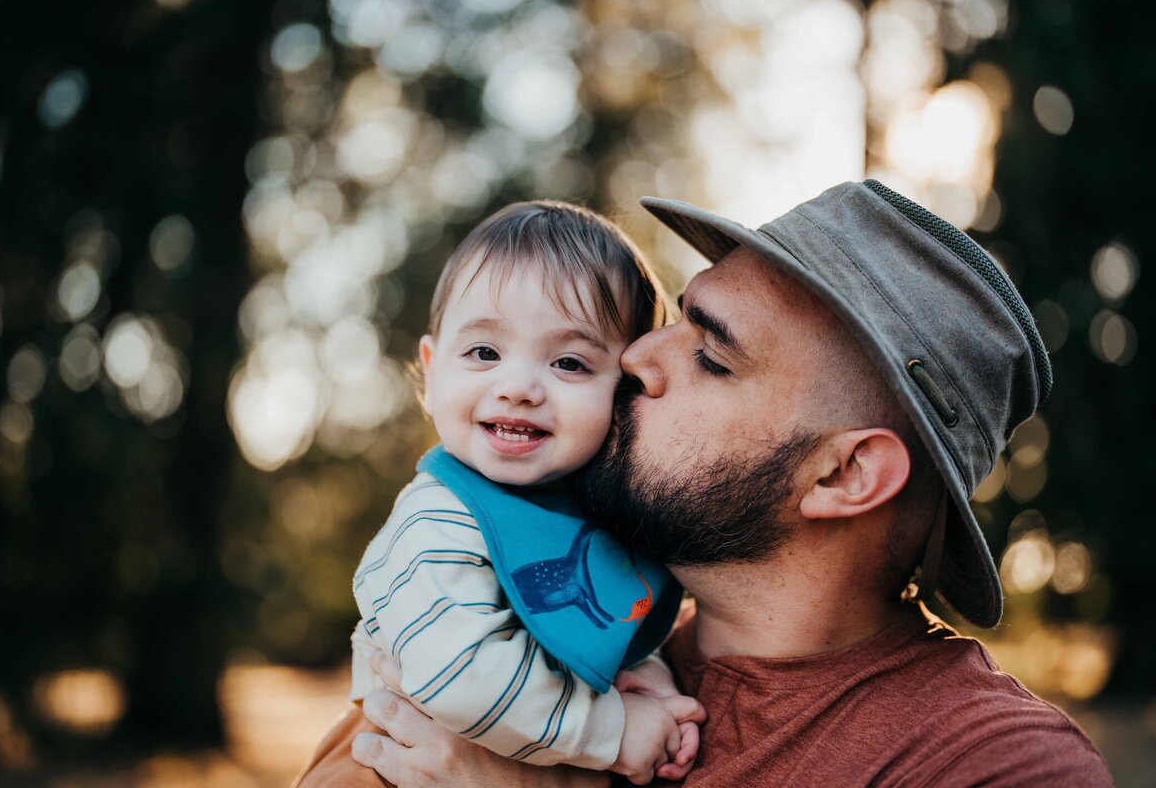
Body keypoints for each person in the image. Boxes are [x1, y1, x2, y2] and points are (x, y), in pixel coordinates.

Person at [296, 181, 1112, 787]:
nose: (639, 358)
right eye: (676, 320)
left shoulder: (988, 765)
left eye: (711, 355)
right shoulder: (548, 634)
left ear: (846, 473)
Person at [342, 200, 705, 786]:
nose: (517, 388)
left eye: (568, 363)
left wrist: (644, 674)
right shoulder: (437, 520)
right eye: (484, 353)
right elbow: (460, 676)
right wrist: (615, 731)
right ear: (431, 374)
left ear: (626, 396)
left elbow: (595, 619)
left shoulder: (595, 512)